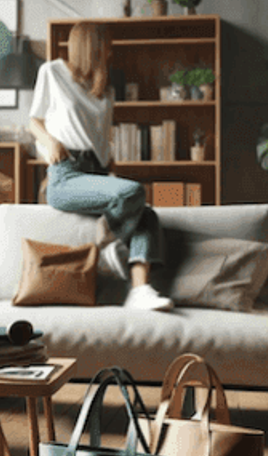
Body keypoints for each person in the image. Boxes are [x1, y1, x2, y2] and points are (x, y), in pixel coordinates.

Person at [27, 21, 173, 311]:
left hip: (98, 172)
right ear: (90, 46)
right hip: (66, 175)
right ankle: (111, 247)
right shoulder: (53, 72)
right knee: (132, 193)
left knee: (148, 216)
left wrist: (112, 172)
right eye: (106, 47)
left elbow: (104, 139)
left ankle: (140, 290)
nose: (110, 54)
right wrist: (50, 142)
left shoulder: (104, 90)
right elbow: (34, 120)